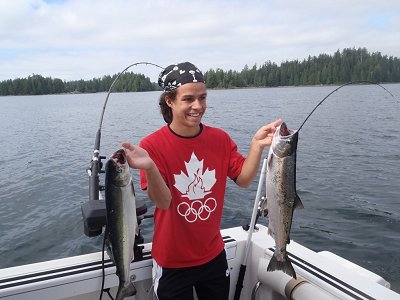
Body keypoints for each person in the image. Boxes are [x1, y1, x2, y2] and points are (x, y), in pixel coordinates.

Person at [122, 62, 281, 300]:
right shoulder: (151, 146)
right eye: (188, 99)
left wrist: (256, 146)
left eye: (203, 98)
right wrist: (150, 167)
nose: (198, 106)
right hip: (172, 261)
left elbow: (244, 180)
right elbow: (163, 202)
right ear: (169, 101)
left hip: (213, 255)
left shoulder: (220, 139)